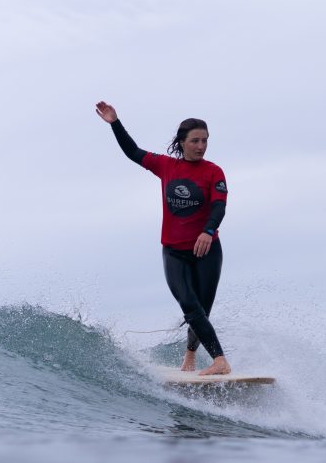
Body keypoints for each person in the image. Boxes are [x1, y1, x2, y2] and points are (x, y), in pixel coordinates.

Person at [95, 101, 232, 376]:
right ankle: (220, 361)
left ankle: (190, 357)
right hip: (174, 252)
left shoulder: (213, 171)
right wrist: (115, 123)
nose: (201, 146)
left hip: (207, 250)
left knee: (201, 309)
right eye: (195, 140)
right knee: (189, 305)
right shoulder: (166, 166)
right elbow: (133, 152)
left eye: (205, 140)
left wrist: (207, 231)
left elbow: (219, 205)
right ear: (182, 142)